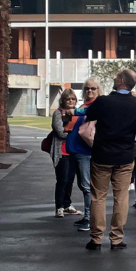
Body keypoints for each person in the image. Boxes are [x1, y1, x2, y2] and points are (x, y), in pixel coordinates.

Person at [83, 69, 136, 251]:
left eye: (115, 77)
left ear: (120, 80)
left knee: (98, 197)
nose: (113, 79)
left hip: (102, 154)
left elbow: (90, 115)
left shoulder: (104, 101)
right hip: (125, 155)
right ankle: (116, 238)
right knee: (121, 197)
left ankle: (96, 238)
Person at [66, 78, 101, 232]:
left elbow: (90, 114)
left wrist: (74, 112)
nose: (90, 91)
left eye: (93, 88)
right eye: (87, 88)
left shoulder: (96, 106)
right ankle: (87, 216)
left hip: (85, 151)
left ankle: (89, 218)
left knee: (87, 186)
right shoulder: (84, 105)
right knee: (83, 185)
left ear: (98, 90)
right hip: (76, 150)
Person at [50, 89, 82, 218]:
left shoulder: (78, 113)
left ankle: (67, 204)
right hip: (61, 151)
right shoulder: (58, 113)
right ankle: (59, 206)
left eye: (73, 99)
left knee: (70, 180)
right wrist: (75, 134)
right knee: (62, 179)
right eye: (68, 99)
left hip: (73, 151)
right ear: (62, 100)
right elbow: (60, 132)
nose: (70, 101)